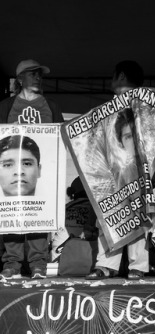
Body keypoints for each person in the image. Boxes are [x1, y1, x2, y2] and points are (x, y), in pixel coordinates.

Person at [0, 59, 63, 280]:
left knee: (40, 215)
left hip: (39, 172)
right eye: (33, 74)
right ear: (20, 79)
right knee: (11, 215)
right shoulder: (6, 106)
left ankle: (38, 264)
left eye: (39, 75)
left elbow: (61, 140)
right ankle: (12, 264)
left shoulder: (51, 106)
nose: (38, 78)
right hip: (12, 172)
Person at [86, 60, 149, 281]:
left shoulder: (146, 108)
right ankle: (128, 266)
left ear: (121, 76)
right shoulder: (108, 111)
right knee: (111, 212)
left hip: (136, 171)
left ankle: (118, 264)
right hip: (111, 171)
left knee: (134, 214)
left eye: (114, 76)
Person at [0, 135, 46, 279]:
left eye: (26, 163)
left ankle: (38, 265)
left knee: (39, 219)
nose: (18, 172)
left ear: (38, 169)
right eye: (8, 164)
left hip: (42, 208)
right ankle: (12, 266)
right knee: (10, 219)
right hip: (7, 208)